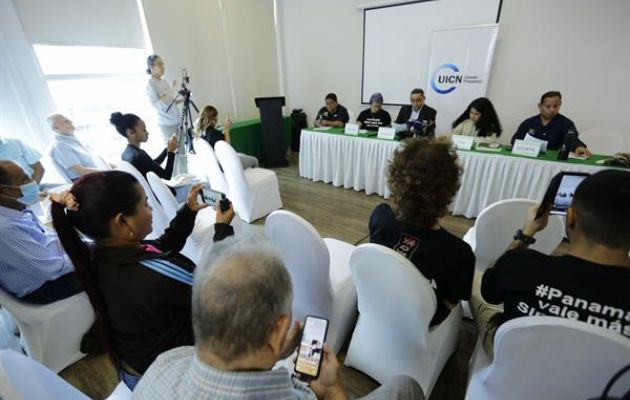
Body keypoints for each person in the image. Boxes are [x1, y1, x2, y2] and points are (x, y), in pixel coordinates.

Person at [133, 236, 424, 400]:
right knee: (404, 386)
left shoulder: (164, 363)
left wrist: (273, 354)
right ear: (279, 329)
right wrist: (332, 389)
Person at [50, 170, 235, 389]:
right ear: (122, 221)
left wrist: (188, 210)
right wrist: (223, 231)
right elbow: (221, 289)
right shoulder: (158, 276)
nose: (150, 211)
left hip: (137, 369)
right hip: (172, 380)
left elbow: (159, 246)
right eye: (146, 205)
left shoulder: (97, 254)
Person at [472, 170, 630, 358]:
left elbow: (489, 292)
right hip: (597, 385)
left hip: (513, 366)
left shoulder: (521, 264)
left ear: (570, 217)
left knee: (477, 280)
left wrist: (527, 233)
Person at [369, 138, 474, 326]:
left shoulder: (381, 217)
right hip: (422, 322)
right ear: (449, 190)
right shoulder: (459, 253)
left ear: (396, 181)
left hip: (376, 302)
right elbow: (451, 302)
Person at [0, 160, 80, 304]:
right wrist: (89, 253)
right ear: (4, 191)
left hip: (55, 269)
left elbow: (47, 240)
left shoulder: (17, 208)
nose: (32, 181)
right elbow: (52, 269)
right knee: (110, 263)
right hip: (46, 288)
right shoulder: (4, 229)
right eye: (24, 180)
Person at [511, 91, 591, 156]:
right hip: (529, 158)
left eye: (555, 106)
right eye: (548, 106)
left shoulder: (566, 124)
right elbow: (515, 140)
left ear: (560, 105)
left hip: (552, 161)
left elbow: (573, 139)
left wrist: (578, 147)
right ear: (540, 106)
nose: (552, 110)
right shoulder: (529, 122)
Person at [145, 54, 187, 174]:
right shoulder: (151, 84)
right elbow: (158, 106)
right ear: (151, 66)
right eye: (160, 64)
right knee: (172, 153)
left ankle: (185, 177)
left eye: (163, 64)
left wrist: (182, 99)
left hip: (176, 120)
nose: (163, 67)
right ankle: (175, 180)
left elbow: (170, 102)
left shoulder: (164, 82)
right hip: (166, 124)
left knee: (182, 152)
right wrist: (172, 90)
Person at [111, 112, 178, 180]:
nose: (147, 133)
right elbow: (167, 176)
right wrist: (171, 153)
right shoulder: (140, 155)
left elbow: (151, 165)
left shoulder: (125, 154)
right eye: (144, 130)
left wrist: (167, 150)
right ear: (131, 132)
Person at [46, 113, 107, 181]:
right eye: (66, 121)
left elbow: (96, 160)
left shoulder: (73, 139)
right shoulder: (60, 146)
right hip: (89, 181)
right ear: (55, 128)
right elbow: (81, 171)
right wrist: (109, 172)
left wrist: (114, 167)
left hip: (100, 175)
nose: (71, 121)